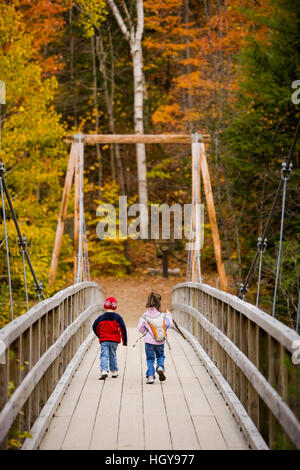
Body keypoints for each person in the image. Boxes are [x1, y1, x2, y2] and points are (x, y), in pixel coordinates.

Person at [137, 292, 173, 384]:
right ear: (159, 303)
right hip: (160, 341)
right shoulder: (162, 315)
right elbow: (169, 325)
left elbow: (140, 328)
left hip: (149, 342)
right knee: (160, 355)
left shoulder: (145, 316)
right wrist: (169, 315)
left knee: (150, 359)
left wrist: (145, 332)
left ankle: (150, 376)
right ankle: (160, 367)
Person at [92, 296, 127, 380]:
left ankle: (104, 370)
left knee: (104, 355)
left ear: (105, 305)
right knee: (113, 354)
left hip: (104, 340)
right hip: (114, 340)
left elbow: (94, 326)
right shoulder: (118, 317)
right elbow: (123, 329)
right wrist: (124, 341)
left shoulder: (101, 317)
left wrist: (99, 335)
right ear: (115, 306)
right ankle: (114, 371)